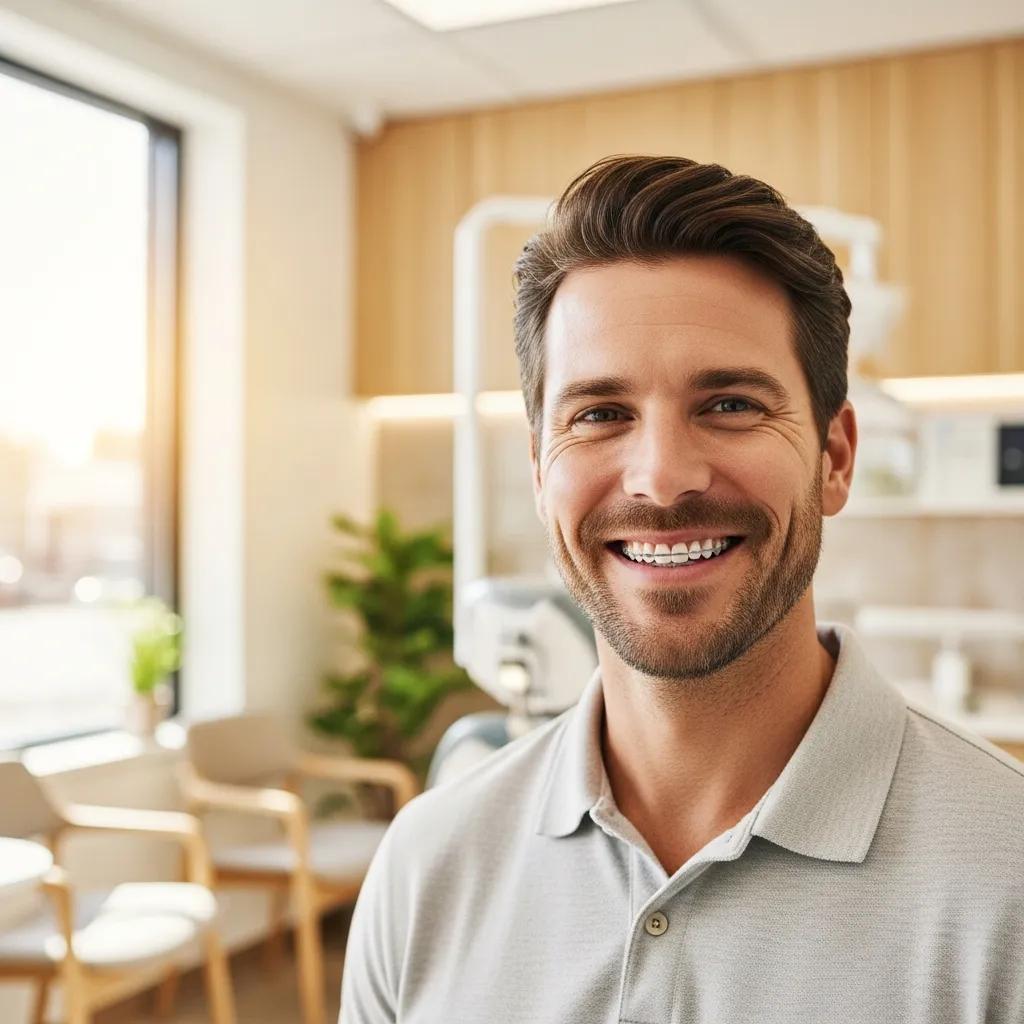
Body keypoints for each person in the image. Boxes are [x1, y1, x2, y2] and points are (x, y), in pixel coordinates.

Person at [339, 156, 1024, 1023]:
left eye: (730, 404)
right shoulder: (427, 868)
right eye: (599, 414)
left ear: (835, 458)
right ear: (539, 468)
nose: (661, 480)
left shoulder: (1008, 881)